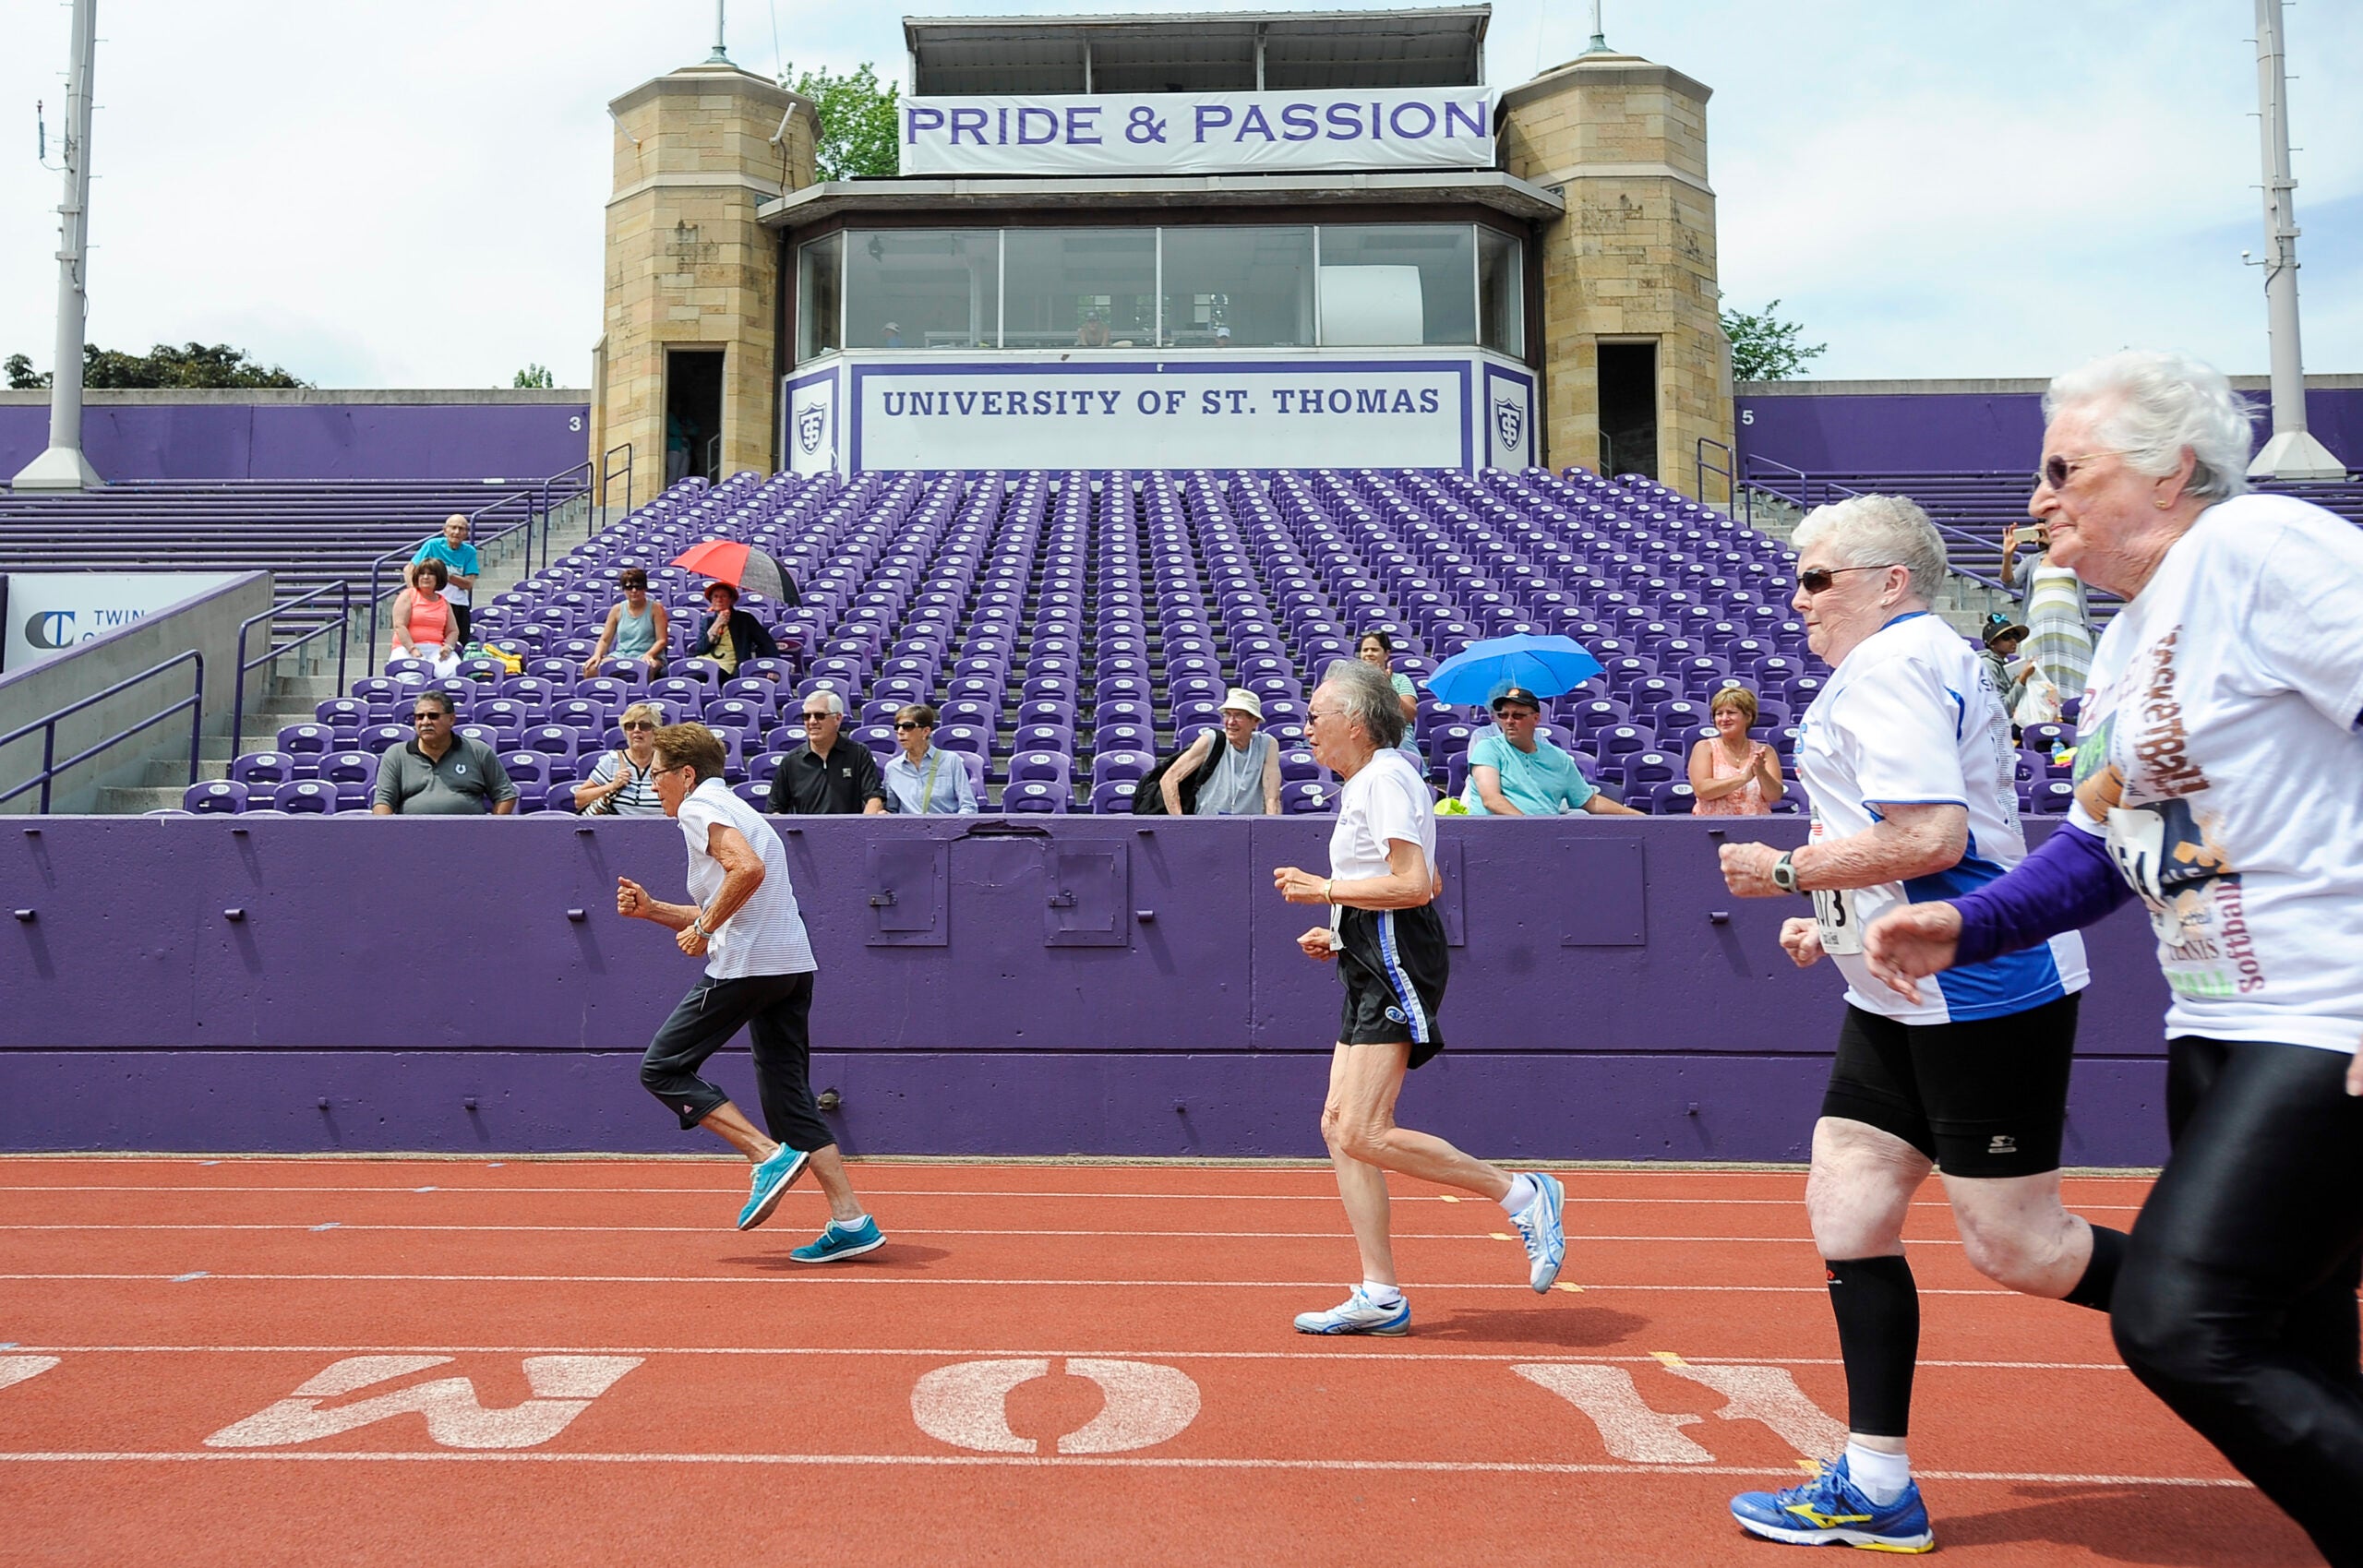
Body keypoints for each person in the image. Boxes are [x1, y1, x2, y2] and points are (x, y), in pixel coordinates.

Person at [1860, 350, 2363, 1568]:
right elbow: (2105, 844)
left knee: (2181, 1321)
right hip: (2218, 1028)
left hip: (2326, 1014)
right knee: (2293, 1345)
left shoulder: (2257, 548)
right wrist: (1967, 925)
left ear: (2168, 471)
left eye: (2064, 469)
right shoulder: (2132, 635)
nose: (2038, 498)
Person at [1713, 492, 2124, 1554]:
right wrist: (1834, 921)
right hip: (1897, 985)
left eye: (1816, 577)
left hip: (1979, 984)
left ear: (1889, 581)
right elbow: (1911, 836)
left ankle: (2244, 1301)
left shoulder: (1894, 664)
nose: (1797, 597)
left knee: (2021, 1248)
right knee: (1846, 1202)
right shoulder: (1911, 657)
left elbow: (1932, 836)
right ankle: (1876, 1483)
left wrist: (1787, 870)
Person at [1271, 658, 1567, 1335]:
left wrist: (1324, 890)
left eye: (1315, 716)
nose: (1307, 728)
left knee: (1363, 1129)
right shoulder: (1375, 781)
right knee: (1338, 1128)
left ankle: (1522, 1193)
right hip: (1371, 948)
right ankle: (1380, 1293)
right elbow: (1421, 879)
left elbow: (1412, 886)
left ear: (1354, 720)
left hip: (1395, 953)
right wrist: (1341, 928)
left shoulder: (1383, 778)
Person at [616, 722, 886, 1261]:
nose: (653, 783)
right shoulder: (740, 808)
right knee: (788, 1097)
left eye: (658, 773)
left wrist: (704, 927)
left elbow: (747, 870)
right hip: (789, 966)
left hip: (748, 967)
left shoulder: (698, 808)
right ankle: (852, 1220)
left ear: (686, 774)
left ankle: (765, 1155)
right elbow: (737, 895)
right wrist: (655, 911)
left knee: (662, 1068)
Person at [1464, 686, 1643, 817]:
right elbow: (1491, 799)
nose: (1509, 721)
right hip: (1497, 837)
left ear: (1536, 719)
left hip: (1546, 837)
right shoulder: (1488, 747)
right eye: (1503, 715)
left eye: (1518, 715)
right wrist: (1531, 828)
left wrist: (1637, 816)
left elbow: (1590, 801)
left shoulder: (1557, 757)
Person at [371, 689, 518, 815]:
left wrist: (490, 829)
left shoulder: (478, 751)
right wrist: (388, 833)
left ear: (451, 719)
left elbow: (505, 795)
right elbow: (383, 802)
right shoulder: (396, 754)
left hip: (468, 836)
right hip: (412, 835)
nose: (425, 722)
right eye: (420, 717)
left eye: (433, 716)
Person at [2001, 516, 2095, 703]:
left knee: (2074, 678)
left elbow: (2093, 567)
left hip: (2071, 627)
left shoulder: (2073, 556)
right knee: (2039, 676)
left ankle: (2072, 713)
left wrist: (2055, 544)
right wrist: (2007, 555)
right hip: (2038, 629)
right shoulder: (2032, 561)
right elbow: (2009, 582)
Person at [1162, 689, 1281, 816]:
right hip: (1208, 822)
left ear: (1255, 721)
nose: (1230, 722)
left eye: (1239, 716)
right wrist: (1181, 822)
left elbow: (1272, 798)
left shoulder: (1267, 744)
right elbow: (1169, 779)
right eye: (1227, 715)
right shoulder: (1211, 740)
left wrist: (1272, 825)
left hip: (1250, 824)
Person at [767, 690, 887, 816]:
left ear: (837, 718)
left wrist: (862, 825)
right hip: (806, 829)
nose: (812, 721)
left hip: (850, 828)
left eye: (819, 716)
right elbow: (775, 810)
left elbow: (874, 799)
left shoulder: (859, 753)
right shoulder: (791, 761)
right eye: (807, 716)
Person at [1686, 685, 1783, 816]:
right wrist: (1744, 778)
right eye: (1719, 714)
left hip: (1756, 825)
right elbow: (1702, 790)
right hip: (1713, 826)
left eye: (1731, 713)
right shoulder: (1704, 748)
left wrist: (1762, 772)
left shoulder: (1765, 751)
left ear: (1748, 716)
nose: (1724, 719)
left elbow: (1774, 796)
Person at [573, 700, 669, 817]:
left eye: (644, 726)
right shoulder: (612, 760)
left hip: (659, 825)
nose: (636, 730)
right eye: (630, 726)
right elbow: (579, 800)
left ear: (656, 731)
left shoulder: (666, 761)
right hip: (616, 826)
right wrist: (612, 786)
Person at [881, 703, 978, 815]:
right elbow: (892, 810)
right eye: (897, 727)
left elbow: (968, 806)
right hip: (908, 826)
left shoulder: (951, 760)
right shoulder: (892, 768)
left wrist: (954, 824)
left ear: (925, 731)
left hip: (945, 825)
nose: (900, 731)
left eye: (907, 726)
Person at [582, 568, 669, 680]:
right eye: (629, 587)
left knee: (645, 668)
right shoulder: (617, 609)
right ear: (623, 589)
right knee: (591, 669)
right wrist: (597, 655)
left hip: (648, 655)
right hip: (621, 655)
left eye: (638, 587)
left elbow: (662, 640)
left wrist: (649, 654)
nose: (634, 591)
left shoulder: (656, 609)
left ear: (645, 588)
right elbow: (604, 640)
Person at [411, 515, 480, 649]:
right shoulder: (432, 545)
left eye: (461, 529)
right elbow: (409, 569)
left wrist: (443, 574)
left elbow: (468, 584)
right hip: (432, 602)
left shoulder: (469, 551)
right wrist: (413, 593)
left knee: (458, 645)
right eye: (453, 527)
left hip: (457, 604)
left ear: (466, 533)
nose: (456, 532)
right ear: (445, 530)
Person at [389, 559, 462, 678]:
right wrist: (412, 649)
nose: (425, 577)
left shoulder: (444, 602)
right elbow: (399, 626)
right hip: (406, 649)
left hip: (436, 650)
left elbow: (453, 631)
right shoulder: (408, 595)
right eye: (422, 574)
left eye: (431, 574)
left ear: (439, 577)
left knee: (453, 672)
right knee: (412, 677)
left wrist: (448, 647)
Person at [692, 581, 779, 679]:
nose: (719, 600)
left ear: (731, 600)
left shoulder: (745, 619)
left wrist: (774, 666)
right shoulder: (707, 621)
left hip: (727, 667)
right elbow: (700, 649)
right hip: (704, 662)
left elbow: (766, 642)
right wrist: (717, 624)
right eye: (715, 597)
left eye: (724, 596)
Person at [1977, 612, 2033, 726]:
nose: (2013, 641)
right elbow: (2003, 709)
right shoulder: (1988, 665)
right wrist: (2022, 679)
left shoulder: (2002, 663)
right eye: (2006, 637)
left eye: (2015, 636)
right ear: (1992, 643)